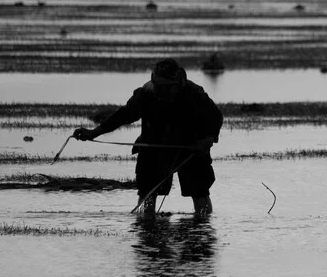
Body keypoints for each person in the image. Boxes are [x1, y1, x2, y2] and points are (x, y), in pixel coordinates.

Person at [72, 58, 223, 217]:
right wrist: (93, 133)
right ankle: (148, 225)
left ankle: (202, 227)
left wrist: (208, 139)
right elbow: (122, 116)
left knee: (199, 193)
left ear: (177, 84)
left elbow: (215, 118)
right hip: (154, 147)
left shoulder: (194, 94)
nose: (161, 91)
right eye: (158, 86)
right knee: (147, 195)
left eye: (166, 88)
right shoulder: (146, 93)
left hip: (191, 148)